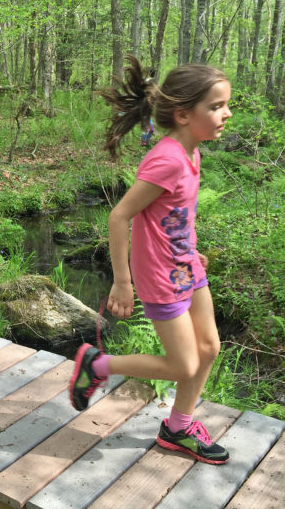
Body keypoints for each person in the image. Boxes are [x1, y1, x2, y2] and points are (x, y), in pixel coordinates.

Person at [69, 56, 233, 465]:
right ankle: (98, 365)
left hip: (187, 269)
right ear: (183, 114)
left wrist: (192, 250)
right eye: (215, 106)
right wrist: (123, 282)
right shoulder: (168, 158)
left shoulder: (191, 153)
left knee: (209, 347)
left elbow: (173, 215)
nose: (226, 113)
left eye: (226, 104)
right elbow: (120, 215)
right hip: (161, 278)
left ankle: (178, 429)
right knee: (183, 363)